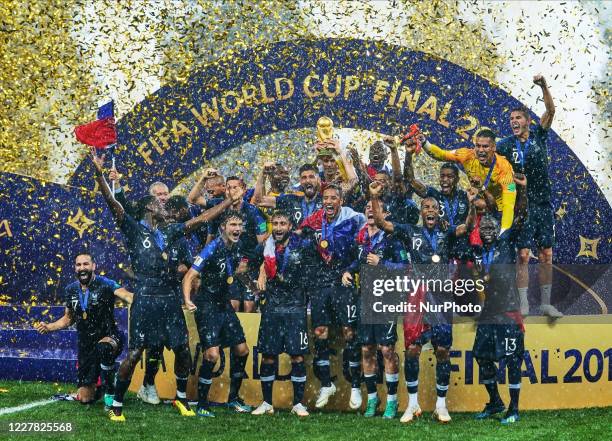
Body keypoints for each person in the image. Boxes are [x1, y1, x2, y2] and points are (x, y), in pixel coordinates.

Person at [89, 148, 235, 422]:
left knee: (182, 348)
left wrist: (228, 203)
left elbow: (201, 220)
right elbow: (112, 202)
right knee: (134, 354)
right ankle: (117, 404)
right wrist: (99, 174)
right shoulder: (133, 228)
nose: (163, 205)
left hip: (169, 297)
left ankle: (181, 399)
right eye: (158, 204)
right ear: (148, 208)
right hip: (145, 297)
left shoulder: (168, 231)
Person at [370, 181, 472, 424]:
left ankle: (441, 405)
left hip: (440, 297)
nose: (429, 210)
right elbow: (383, 223)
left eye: (433, 207)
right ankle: (412, 404)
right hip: (416, 296)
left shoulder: (447, 232)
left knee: (442, 350)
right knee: (412, 350)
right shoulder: (409, 231)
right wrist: (374, 197)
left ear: (438, 212)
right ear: (421, 211)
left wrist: (471, 204)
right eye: (425, 206)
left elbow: (466, 227)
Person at [495, 75, 560, 317]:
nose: (513, 121)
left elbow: (551, 111)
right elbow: (485, 156)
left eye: (518, 117)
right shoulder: (503, 145)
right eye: (511, 119)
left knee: (546, 253)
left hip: (542, 204)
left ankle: (545, 303)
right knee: (522, 255)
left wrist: (543, 85)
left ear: (528, 121)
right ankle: (523, 305)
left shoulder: (539, 136)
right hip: (521, 207)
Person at [35, 252, 133, 409]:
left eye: (86, 264)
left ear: (93, 266)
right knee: (85, 398)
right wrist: (49, 327)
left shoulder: (106, 283)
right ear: (75, 268)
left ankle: (111, 391)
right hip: (86, 345)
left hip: (109, 337)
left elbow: (127, 296)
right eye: (78, 265)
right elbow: (68, 318)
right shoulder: (71, 290)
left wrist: (146, 304)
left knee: (104, 348)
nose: (82, 268)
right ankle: (100, 387)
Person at [299, 184, 366, 409]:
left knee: (349, 332)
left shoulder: (354, 218)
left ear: (340, 200)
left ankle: (355, 385)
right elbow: (297, 234)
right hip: (321, 283)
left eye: (333, 198)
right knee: (320, 332)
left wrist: (353, 269)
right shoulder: (314, 219)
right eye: (325, 198)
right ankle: (327, 383)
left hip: (343, 280)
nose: (328, 202)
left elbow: (368, 241)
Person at [182, 210, 253, 417]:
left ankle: (233, 399)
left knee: (242, 350)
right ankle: (203, 404)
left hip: (224, 306)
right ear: (223, 227)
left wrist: (253, 286)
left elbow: (236, 273)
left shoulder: (238, 247)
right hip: (207, 306)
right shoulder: (211, 249)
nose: (237, 229)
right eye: (232, 225)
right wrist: (187, 299)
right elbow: (189, 276)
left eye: (239, 225)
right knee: (212, 355)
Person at [342, 200, 410, 418]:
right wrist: (348, 271)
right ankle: (372, 399)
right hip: (365, 299)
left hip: (387, 299)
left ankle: (392, 401)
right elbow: (357, 262)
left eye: (376, 208)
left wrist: (382, 264)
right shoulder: (361, 238)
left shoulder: (393, 239)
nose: (371, 211)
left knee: (387, 350)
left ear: (385, 214)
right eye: (368, 209)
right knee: (367, 349)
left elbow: (405, 268)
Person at [472, 173, 529, 424]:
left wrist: (522, 191)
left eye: (490, 226)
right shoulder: (478, 250)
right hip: (489, 313)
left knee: (512, 359)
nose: (486, 229)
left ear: (498, 229)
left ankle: (514, 409)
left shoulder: (506, 242)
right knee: (481, 355)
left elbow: (520, 216)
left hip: (508, 311)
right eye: (483, 227)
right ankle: (495, 401)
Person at [250, 211, 311, 417]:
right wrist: (258, 277)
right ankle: (267, 402)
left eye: (282, 223)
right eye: (274, 223)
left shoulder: (302, 245)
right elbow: (244, 264)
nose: (277, 227)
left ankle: (298, 404)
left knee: (297, 358)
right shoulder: (264, 248)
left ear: (290, 226)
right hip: (272, 310)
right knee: (267, 357)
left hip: (295, 309)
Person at [136, 196, 194, 407]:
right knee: (154, 347)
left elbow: (188, 266)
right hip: (151, 297)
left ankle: (180, 394)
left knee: (181, 347)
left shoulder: (178, 238)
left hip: (171, 297)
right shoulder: (145, 236)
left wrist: (177, 270)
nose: (172, 218)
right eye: (170, 213)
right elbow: (137, 268)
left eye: (174, 214)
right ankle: (147, 384)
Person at [417, 129, 516, 235]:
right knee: (471, 202)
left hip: (499, 210)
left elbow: (509, 205)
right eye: (478, 146)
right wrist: (424, 142)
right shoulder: (467, 155)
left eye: (485, 146)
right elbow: (442, 154)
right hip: (479, 207)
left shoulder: (504, 169)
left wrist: (504, 231)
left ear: (494, 147)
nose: (480, 150)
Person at [207, 176, 267, 313]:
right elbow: (193, 200)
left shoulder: (253, 212)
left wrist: (250, 262)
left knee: (248, 306)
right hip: (228, 267)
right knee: (232, 305)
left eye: (235, 187)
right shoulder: (219, 208)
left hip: (249, 266)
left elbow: (263, 243)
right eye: (228, 187)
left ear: (243, 190)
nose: (232, 190)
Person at [253, 163, 323, 226]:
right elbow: (259, 201)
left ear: (318, 179)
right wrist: (263, 173)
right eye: (304, 178)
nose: (308, 180)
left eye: (311, 177)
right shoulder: (292, 200)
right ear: (300, 181)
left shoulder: (325, 201)